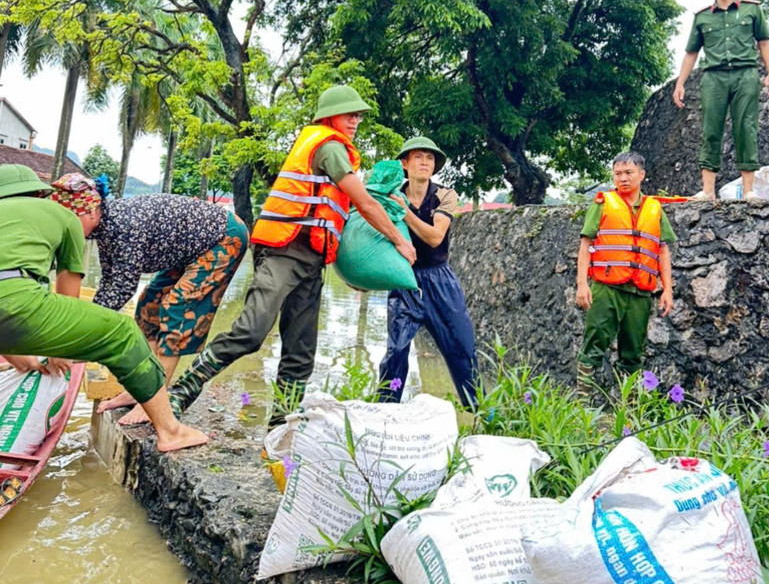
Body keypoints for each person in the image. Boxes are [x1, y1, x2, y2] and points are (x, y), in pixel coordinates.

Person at [167, 86, 417, 425]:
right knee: (252, 331)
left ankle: (279, 427)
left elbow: (332, 219)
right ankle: (181, 392)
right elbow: (366, 203)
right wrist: (400, 242)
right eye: (350, 114)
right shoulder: (328, 146)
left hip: (312, 260)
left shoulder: (336, 149)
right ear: (330, 116)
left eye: (358, 115)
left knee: (300, 353)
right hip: (283, 252)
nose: (356, 120)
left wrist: (352, 273)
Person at [0, 164, 206, 452]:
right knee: (121, 332)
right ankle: (171, 432)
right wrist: (56, 350)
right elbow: (67, 297)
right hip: (15, 299)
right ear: (38, 193)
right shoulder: (61, 216)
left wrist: (15, 355)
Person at [50, 174, 249, 427]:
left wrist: (78, 340)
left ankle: (156, 401)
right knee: (148, 307)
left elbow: (121, 289)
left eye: (69, 221)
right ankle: (140, 389)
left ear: (90, 211)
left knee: (179, 308)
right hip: (188, 248)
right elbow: (110, 281)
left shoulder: (123, 226)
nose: (66, 230)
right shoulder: (106, 227)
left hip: (223, 238)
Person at [378, 136, 479, 410]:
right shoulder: (389, 196)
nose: (424, 163)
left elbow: (435, 237)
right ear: (405, 163)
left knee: (462, 348)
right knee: (396, 352)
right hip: (404, 281)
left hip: (439, 280)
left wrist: (405, 212)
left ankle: (481, 413)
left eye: (430, 158)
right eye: (418, 157)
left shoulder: (445, 195)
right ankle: (385, 413)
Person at [673, 0, 769, 201]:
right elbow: (691, 52)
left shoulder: (752, 10)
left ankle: (749, 190)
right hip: (714, 76)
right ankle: (708, 190)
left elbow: (764, 42)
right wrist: (680, 83)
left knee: (746, 128)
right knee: (710, 129)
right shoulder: (702, 17)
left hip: (746, 74)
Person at [575, 152, 675, 401]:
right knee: (594, 343)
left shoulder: (654, 208)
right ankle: (582, 406)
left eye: (629, 173)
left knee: (633, 353)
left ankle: (629, 408)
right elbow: (586, 243)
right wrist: (581, 284)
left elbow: (662, 249)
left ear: (641, 175)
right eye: (618, 173)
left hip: (640, 292)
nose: (623, 178)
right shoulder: (603, 203)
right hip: (606, 288)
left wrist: (667, 289)